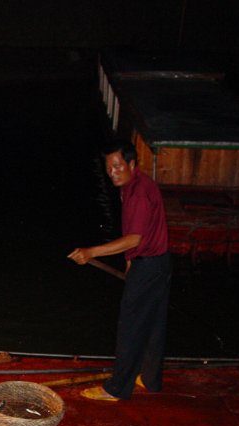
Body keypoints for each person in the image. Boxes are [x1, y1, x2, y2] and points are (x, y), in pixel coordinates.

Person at [68, 140, 171, 400]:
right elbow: (139, 235)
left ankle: (116, 388)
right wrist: (129, 260)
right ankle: (150, 379)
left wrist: (91, 252)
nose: (113, 173)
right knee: (153, 324)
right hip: (158, 263)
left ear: (131, 164)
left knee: (131, 325)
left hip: (150, 266)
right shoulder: (135, 185)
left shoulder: (138, 193)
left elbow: (135, 238)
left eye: (117, 166)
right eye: (109, 169)